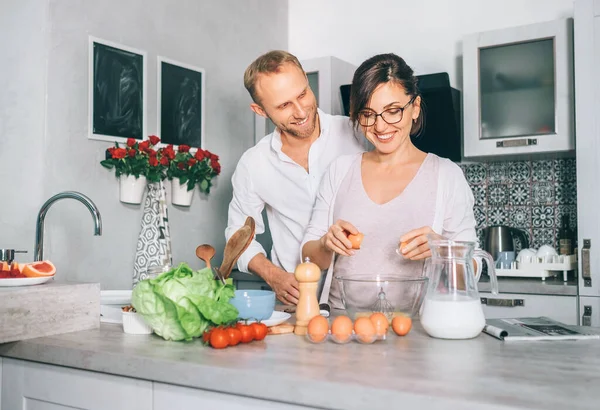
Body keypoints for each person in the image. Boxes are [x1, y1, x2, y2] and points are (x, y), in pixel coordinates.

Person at [301, 53, 480, 309]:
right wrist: (325, 244)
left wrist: (442, 250)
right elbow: (308, 255)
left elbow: (472, 270)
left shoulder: (447, 176)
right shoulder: (340, 170)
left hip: (416, 330)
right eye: (368, 114)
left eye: (393, 111)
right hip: (343, 326)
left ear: (415, 107)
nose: (380, 126)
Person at [225, 50, 365, 304]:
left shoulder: (358, 133)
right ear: (259, 110)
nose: (301, 112)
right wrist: (274, 276)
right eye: (284, 105)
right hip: (299, 301)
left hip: (362, 294)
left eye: (302, 94)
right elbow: (238, 235)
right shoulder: (254, 164)